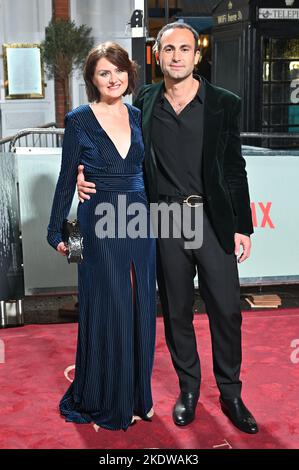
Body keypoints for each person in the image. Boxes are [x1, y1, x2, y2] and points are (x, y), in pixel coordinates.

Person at [77, 23, 258, 434]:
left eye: (185, 49)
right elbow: (112, 145)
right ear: (157, 56)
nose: (176, 56)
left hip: (211, 221)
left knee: (227, 311)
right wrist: (82, 173)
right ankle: (189, 391)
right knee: (176, 312)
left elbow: (233, 167)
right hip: (165, 221)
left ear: (197, 56)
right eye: (168, 49)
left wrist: (242, 225)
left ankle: (231, 394)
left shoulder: (223, 103)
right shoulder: (142, 102)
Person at [47, 42, 156, 431]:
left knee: (141, 303)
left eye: (119, 70)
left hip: (140, 220)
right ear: (93, 80)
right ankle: (108, 397)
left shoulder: (138, 115)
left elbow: (148, 170)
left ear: (129, 72)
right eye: (104, 73)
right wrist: (59, 233)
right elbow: (66, 179)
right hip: (96, 221)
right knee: (107, 305)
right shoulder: (78, 119)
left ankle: (139, 396)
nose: (114, 79)